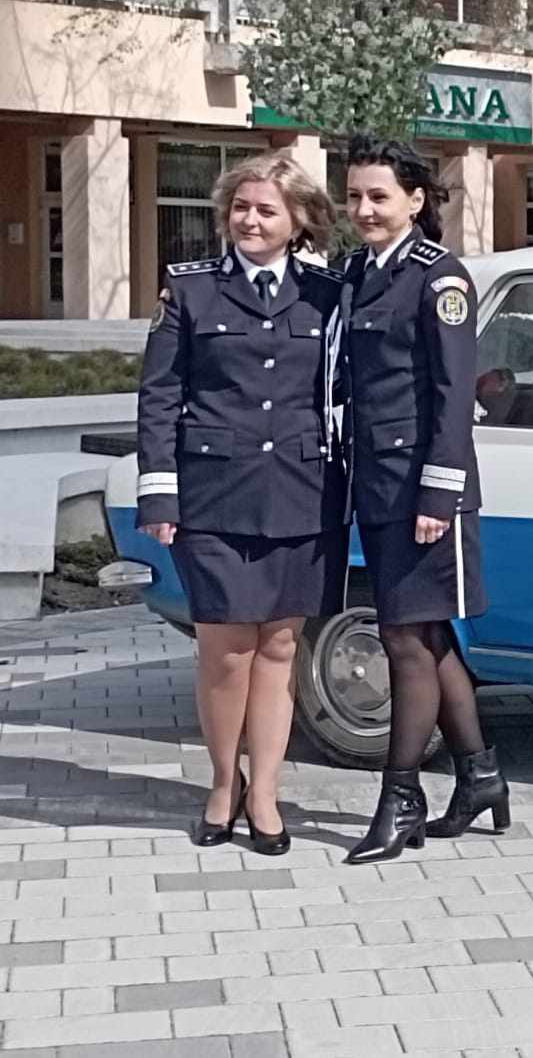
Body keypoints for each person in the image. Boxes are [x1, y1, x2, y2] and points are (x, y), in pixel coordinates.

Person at [136, 152, 347, 856]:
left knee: (280, 646)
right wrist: (159, 490)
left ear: (299, 221)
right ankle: (224, 784)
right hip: (213, 497)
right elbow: (159, 396)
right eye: (241, 208)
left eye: (266, 210)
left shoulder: (328, 295)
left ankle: (266, 795)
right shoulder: (190, 289)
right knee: (226, 651)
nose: (249, 221)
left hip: (302, 492)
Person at [339, 135, 505, 865]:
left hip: (424, 492)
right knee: (425, 639)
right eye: (354, 196)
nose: (364, 209)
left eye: (379, 196)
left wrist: (439, 492)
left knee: (405, 641)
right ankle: (481, 777)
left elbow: (452, 394)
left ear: (414, 200)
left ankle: (400, 797)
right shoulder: (357, 272)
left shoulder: (440, 278)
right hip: (377, 485)